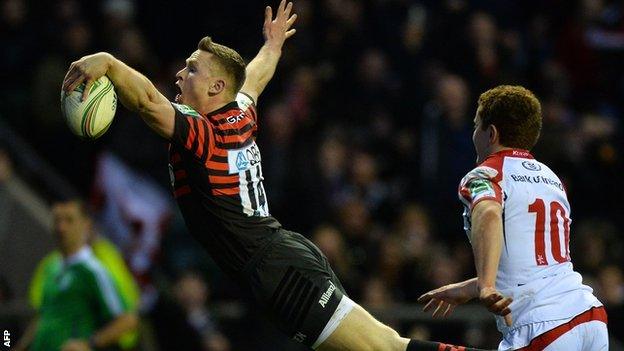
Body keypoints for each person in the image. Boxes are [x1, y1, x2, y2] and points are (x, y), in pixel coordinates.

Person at [61, 2, 486, 350]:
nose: (179, 74)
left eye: (192, 69)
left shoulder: (204, 135)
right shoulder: (240, 112)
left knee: (386, 347)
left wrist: (111, 64)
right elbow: (256, 77)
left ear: (215, 89)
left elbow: (148, 103)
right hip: (279, 262)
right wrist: (273, 45)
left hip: (278, 271)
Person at [417, 85, 609, 350]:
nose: (474, 133)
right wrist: (468, 289)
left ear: (491, 133)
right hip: (590, 318)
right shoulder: (551, 179)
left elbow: (488, 212)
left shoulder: (484, 175)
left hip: (543, 327)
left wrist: (485, 286)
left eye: (477, 126)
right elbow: (531, 268)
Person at [15, 199, 138, 351]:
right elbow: (45, 315)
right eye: (57, 220)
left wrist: (89, 344)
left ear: (86, 224)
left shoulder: (93, 271)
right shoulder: (51, 266)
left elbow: (128, 320)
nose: (61, 227)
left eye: (69, 220)